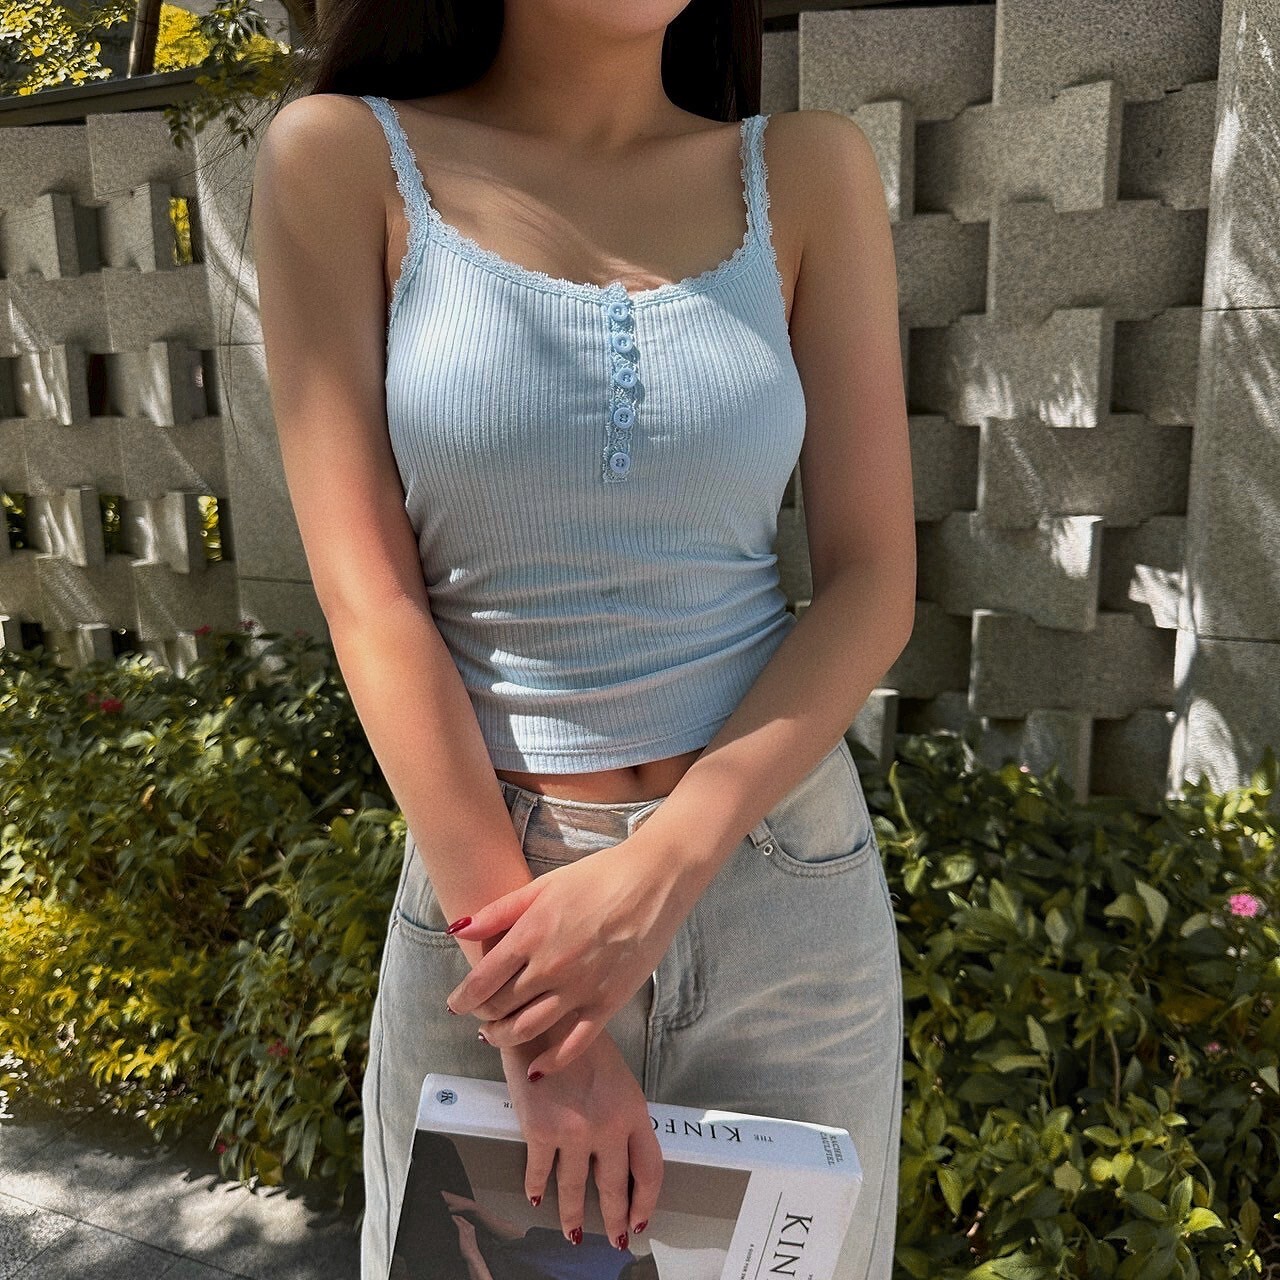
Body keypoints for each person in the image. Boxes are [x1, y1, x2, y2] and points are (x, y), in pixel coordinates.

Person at [249, 2, 915, 1278]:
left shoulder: (807, 169)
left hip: (779, 888)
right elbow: (370, 597)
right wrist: (535, 1020)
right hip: (499, 907)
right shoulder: (340, 157)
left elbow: (873, 578)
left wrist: (664, 864)